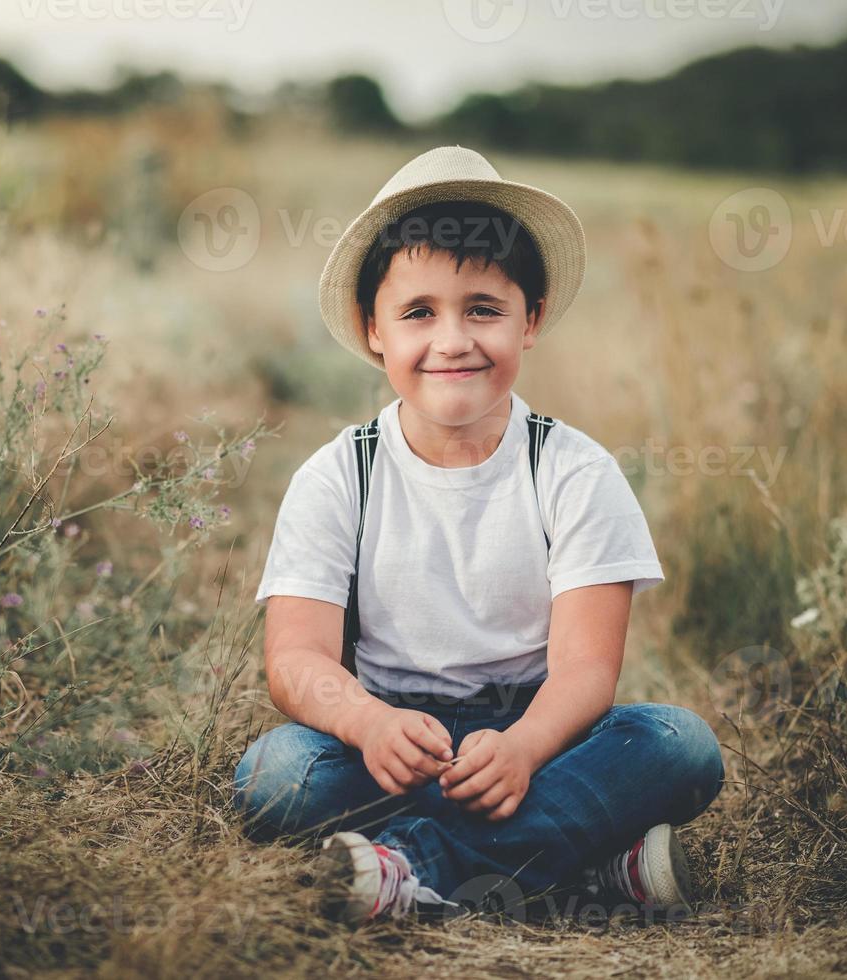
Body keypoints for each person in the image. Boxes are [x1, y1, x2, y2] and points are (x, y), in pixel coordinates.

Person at [231, 145, 724, 927]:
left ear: (530, 321)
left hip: (539, 739)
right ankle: (584, 866)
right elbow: (296, 661)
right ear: (374, 333)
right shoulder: (339, 475)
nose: (453, 340)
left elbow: (588, 672)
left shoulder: (574, 471)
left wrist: (525, 749)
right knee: (276, 775)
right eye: (419, 313)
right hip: (390, 745)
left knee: (677, 744)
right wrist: (368, 723)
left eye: (483, 310)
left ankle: (412, 866)